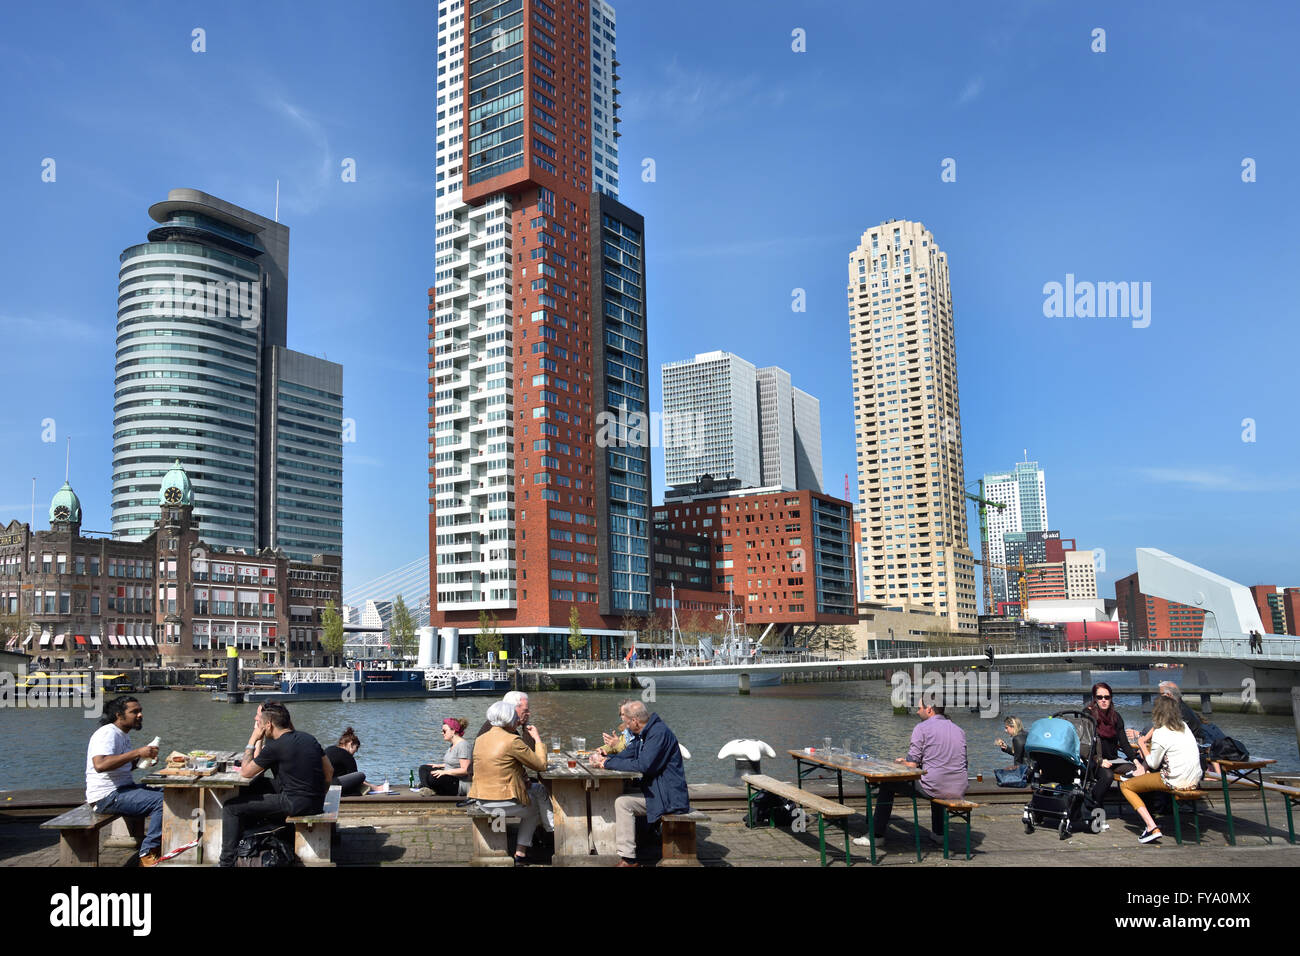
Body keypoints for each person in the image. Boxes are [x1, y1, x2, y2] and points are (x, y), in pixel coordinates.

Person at [218, 702, 331, 867]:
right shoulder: (309, 738)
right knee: (255, 786)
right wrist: (321, 794)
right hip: (316, 801)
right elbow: (329, 770)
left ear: (268, 725)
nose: (259, 727)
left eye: (260, 724)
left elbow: (246, 772)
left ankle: (226, 862)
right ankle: (251, 839)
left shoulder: (275, 747)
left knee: (230, 808)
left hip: (294, 802)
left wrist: (253, 739)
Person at [588, 700, 690, 867]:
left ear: (634, 720)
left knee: (623, 803)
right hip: (658, 791)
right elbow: (628, 754)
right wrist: (606, 758)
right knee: (625, 790)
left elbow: (644, 766)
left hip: (669, 797)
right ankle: (637, 842)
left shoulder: (658, 734)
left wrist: (606, 764)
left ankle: (628, 859)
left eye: (627, 722)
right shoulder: (646, 732)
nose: (626, 727)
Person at [856, 700, 967, 846]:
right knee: (936, 776)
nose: (916, 711)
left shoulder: (921, 728)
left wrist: (901, 763)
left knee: (887, 784)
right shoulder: (959, 730)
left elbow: (911, 765)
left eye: (919, 708)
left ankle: (876, 835)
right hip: (959, 788)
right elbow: (960, 762)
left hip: (935, 786)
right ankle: (939, 833)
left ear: (929, 709)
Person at [85, 695, 163, 867]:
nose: (140, 715)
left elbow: (120, 765)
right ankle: (148, 852)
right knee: (163, 802)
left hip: (123, 789)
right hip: (105, 797)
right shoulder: (107, 733)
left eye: (140, 711)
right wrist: (137, 753)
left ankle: (167, 842)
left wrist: (141, 761)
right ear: (119, 715)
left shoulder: (122, 734)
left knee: (171, 793)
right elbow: (100, 764)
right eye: (134, 712)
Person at [468, 700, 547, 865]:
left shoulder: (481, 739)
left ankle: (500, 849)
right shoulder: (512, 740)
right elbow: (540, 765)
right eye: (515, 718)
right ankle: (522, 853)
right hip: (503, 801)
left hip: (482, 799)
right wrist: (537, 739)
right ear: (509, 719)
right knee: (534, 810)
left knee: (534, 793)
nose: (517, 722)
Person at [1120, 695, 1203, 843]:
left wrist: (1141, 744)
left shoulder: (1160, 732)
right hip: (1194, 779)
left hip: (1175, 780)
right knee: (1147, 776)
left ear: (1156, 712)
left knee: (1126, 786)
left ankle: (1151, 827)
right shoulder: (1184, 726)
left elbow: (1152, 763)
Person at [1085, 681, 1144, 804]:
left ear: (1111, 698)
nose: (1103, 700)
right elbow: (1084, 745)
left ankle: (1147, 811)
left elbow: (1124, 743)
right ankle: (1094, 804)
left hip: (1113, 760)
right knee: (1107, 776)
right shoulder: (1088, 715)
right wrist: (1098, 760)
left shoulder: (1116, 717)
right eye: (1099, 697)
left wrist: (1137, 763)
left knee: (1140, 773)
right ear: (1094, 699)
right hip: (1093, 760)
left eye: (1107, 697)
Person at [419, 718, 473, 796]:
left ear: (453, 731)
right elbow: (455, 762)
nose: (442, 733)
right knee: (424, 768)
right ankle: (427, 788)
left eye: (444, 731)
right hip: (449, 776)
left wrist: (444, 772)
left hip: (458, 782)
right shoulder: (452, 745)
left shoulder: (463, 745)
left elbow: (465, 770)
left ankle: (428, 787)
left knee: (433, 777)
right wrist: (440, 766)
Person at [324, 727, 372, 796]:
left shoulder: (329, 749)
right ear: (351, 744)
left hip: (321, 784)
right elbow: (355, 778)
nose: (355, 752)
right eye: (356, 748)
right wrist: (376, 788)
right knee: (361, 775)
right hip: (332, 785)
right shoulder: (346, 755)